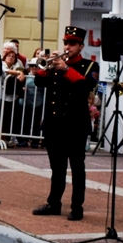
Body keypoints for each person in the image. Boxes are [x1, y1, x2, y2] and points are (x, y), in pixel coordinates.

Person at [31, 27, 99, 221]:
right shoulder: (55, 65)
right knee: (57, 167)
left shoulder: (89, 66)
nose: (67, 47)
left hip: (75, 125)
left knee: (77, 168)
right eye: (66, 43)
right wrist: (45, 67)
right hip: (54, 124)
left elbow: (86, 86)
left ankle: (77, 206)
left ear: (81, 46)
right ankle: (54, 203)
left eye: (72, 44)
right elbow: (40, 83)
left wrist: (66, 69)